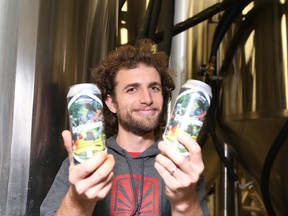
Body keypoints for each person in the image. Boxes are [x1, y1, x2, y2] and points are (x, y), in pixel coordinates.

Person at [40, 39, 209, 216]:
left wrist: (185, 201)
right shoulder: (83, 163)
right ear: (111, 103)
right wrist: (78, 201)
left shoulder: (182, 165)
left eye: (154, 88)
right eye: (132, 89)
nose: (147, 99)